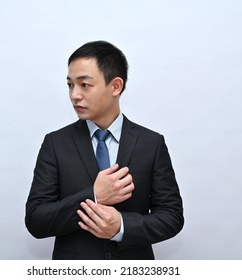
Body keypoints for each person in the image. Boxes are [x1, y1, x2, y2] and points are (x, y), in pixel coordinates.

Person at [25, 40, 184, 260]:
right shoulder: (55, 143)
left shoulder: (151, 143)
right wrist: (94, 196)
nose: (74, 95)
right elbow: (36, 220)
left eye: (85, 85)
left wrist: (122, 227)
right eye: (70, 85)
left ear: (115, 86)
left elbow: (172, 216)